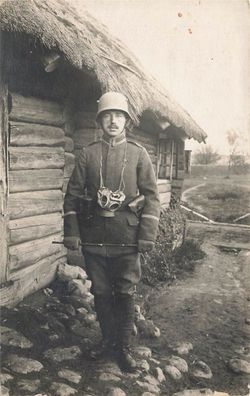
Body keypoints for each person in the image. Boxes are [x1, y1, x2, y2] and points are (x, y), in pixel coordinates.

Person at [63, 92, 160, 372]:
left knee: (126, 292)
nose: (113, 121)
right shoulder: (88, 154)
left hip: (127, 240)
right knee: (102, 293)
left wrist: (146, 236)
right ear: (100, 121)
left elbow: (151, 197)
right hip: (94, 239)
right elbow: (71, 196)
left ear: (127, 121)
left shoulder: (139, 154)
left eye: (119, 116)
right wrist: (73, 233)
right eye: (108, 116)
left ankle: (124, 347)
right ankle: (107, 343)